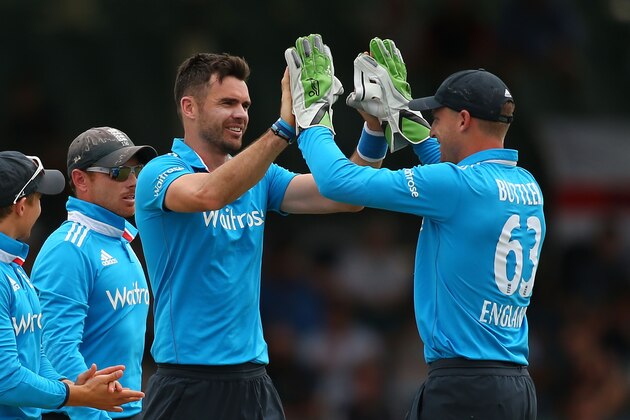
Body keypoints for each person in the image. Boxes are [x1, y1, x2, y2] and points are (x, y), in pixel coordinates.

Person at [287, 35, 545, 419]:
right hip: (515, 386)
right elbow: (449, 171)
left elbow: (339, 183)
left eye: (436, 119)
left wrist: (313, 118)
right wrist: (402, 120)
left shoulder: (456, 187)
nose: (433, 128)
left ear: (463, 120)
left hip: (464, 389)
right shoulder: (527, 184)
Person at [134, 45, 382, 420]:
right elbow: (209, 193)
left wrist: (374, 127)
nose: (240, 115)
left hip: (254, 380)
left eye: (246, 106)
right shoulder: (160, 172)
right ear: (189, 108)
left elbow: (348, 197)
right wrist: (284, 129)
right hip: (189, 381)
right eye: (227, 103)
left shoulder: (259, 177)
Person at [0, 151, 145, 420]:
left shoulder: (14, 268)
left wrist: (73, 387)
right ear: (21, 206)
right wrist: (80, 397)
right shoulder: (63, 250)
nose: (42, 208)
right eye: (39, 198)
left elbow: (38, 353)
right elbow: (7, 379)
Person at [30, 127, 157, 420]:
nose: (134, 181)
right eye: (119, 172)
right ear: (80, 180)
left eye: (136, 170)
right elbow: (55, 349)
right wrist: (94, 415)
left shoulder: (118, 239)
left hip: (124, 412)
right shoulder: (69, 248)